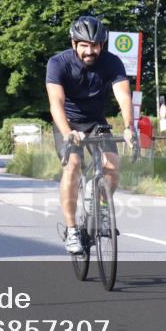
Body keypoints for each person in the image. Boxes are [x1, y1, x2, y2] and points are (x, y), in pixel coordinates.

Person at [46, 15, 136, 255]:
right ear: (74, 44)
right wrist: (67, 133)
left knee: (112, 165)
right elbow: (56, 102)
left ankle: (101, 208)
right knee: (73, 164)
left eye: (95, 45)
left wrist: (129, 127)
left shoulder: (112, 62)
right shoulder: (58, 63)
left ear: (102, 45)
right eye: (84, 45)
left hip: (96, 122)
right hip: (67, 122)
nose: (90, 51)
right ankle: (73, 230)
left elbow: (123, 96)